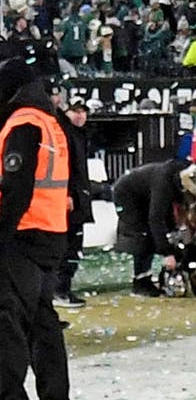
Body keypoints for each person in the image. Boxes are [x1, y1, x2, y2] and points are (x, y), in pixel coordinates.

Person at [0, 59, 71, 399]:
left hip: (23, 236)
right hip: (51, 232)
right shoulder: (50, 122)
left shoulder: (23, 123)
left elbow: (17, 188)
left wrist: (3, 233)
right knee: (43, 324)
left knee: (9, 322)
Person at [112, 160, 196, 297]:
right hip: (127, 194)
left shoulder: (183, 177)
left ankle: (169, 274)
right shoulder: (163, 184)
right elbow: (155, 220)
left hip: (148, 193)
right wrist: (167, 253)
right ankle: (141, 281)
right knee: (143, 234)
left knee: (170, 230)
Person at [53, 99, 91, 310]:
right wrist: (68, 194)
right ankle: (59, 290)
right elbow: (64, 167)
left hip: (76, 197)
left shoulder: (77, 135)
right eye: (75, 111)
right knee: (69, 246)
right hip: (70, 200)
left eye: (83, 111)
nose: (80, 115)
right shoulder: (65, 134)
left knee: (73, 245)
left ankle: (61, 288)